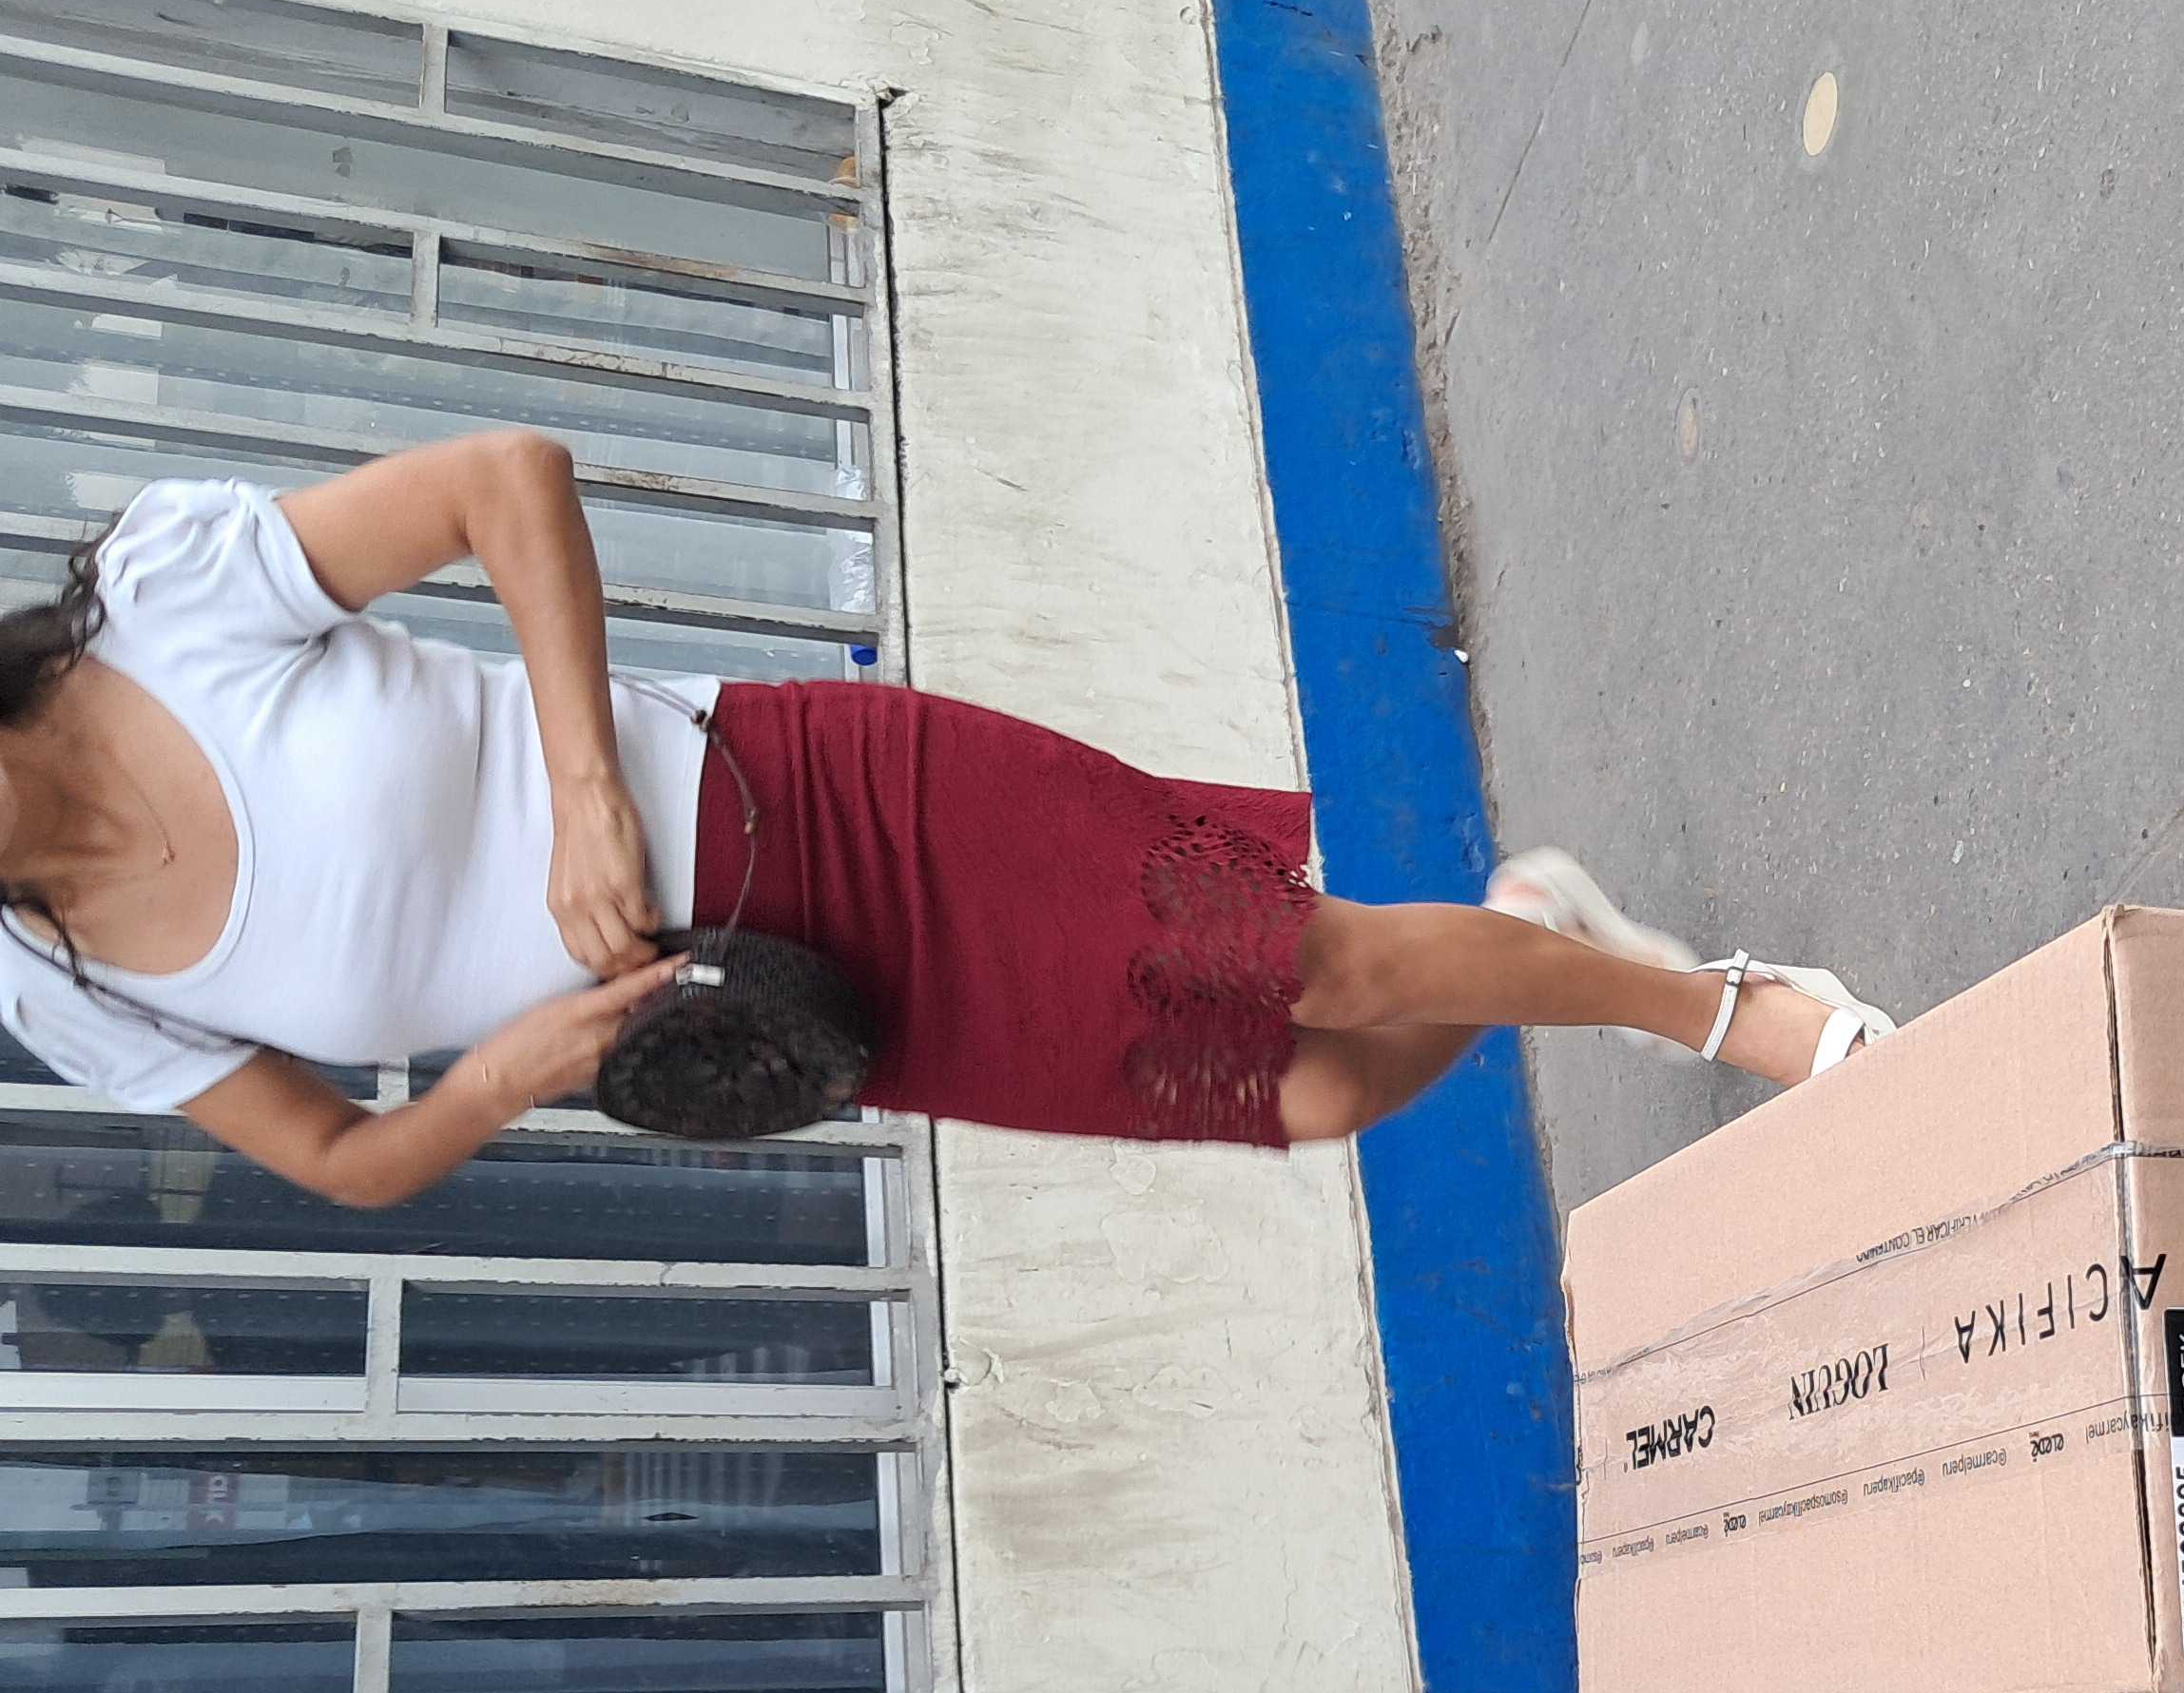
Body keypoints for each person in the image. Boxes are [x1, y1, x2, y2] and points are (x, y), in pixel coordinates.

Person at [0, 434, 1884, 1202]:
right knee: (1309, 1097)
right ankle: (1535, 933)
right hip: (767, 1006)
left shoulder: (158, 606)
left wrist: (578, 788)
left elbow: (504, 483)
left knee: (1313, 960)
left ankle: (1718, 1009)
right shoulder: (61, 987)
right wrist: (504, 1078)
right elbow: (342, 1159)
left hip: (812, 804)